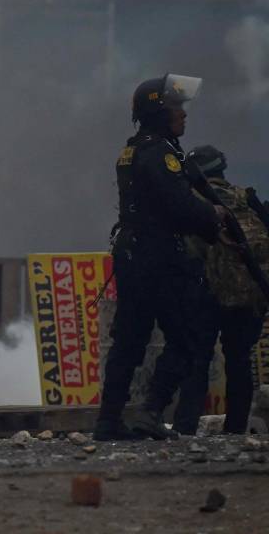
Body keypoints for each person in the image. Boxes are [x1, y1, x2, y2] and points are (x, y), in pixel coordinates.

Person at [94, 74, 226, 441]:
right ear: (157, 113)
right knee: (185, 337)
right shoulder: (161, 154)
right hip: (159, 257)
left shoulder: (133, 149)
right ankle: (151, 411)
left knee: (130, 340)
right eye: (175, 108)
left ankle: (108, 421)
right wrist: (212, 217)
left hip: (136, 255)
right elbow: (179, 207)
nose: (183, 115)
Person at [173, 145, 269, 435]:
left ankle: (185, 428)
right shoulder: (247, 199)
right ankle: (236, 429)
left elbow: (184, 250)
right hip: (247, 292)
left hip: (205, 292)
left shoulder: (193, 204)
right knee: (239, 359)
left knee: (197, 359)